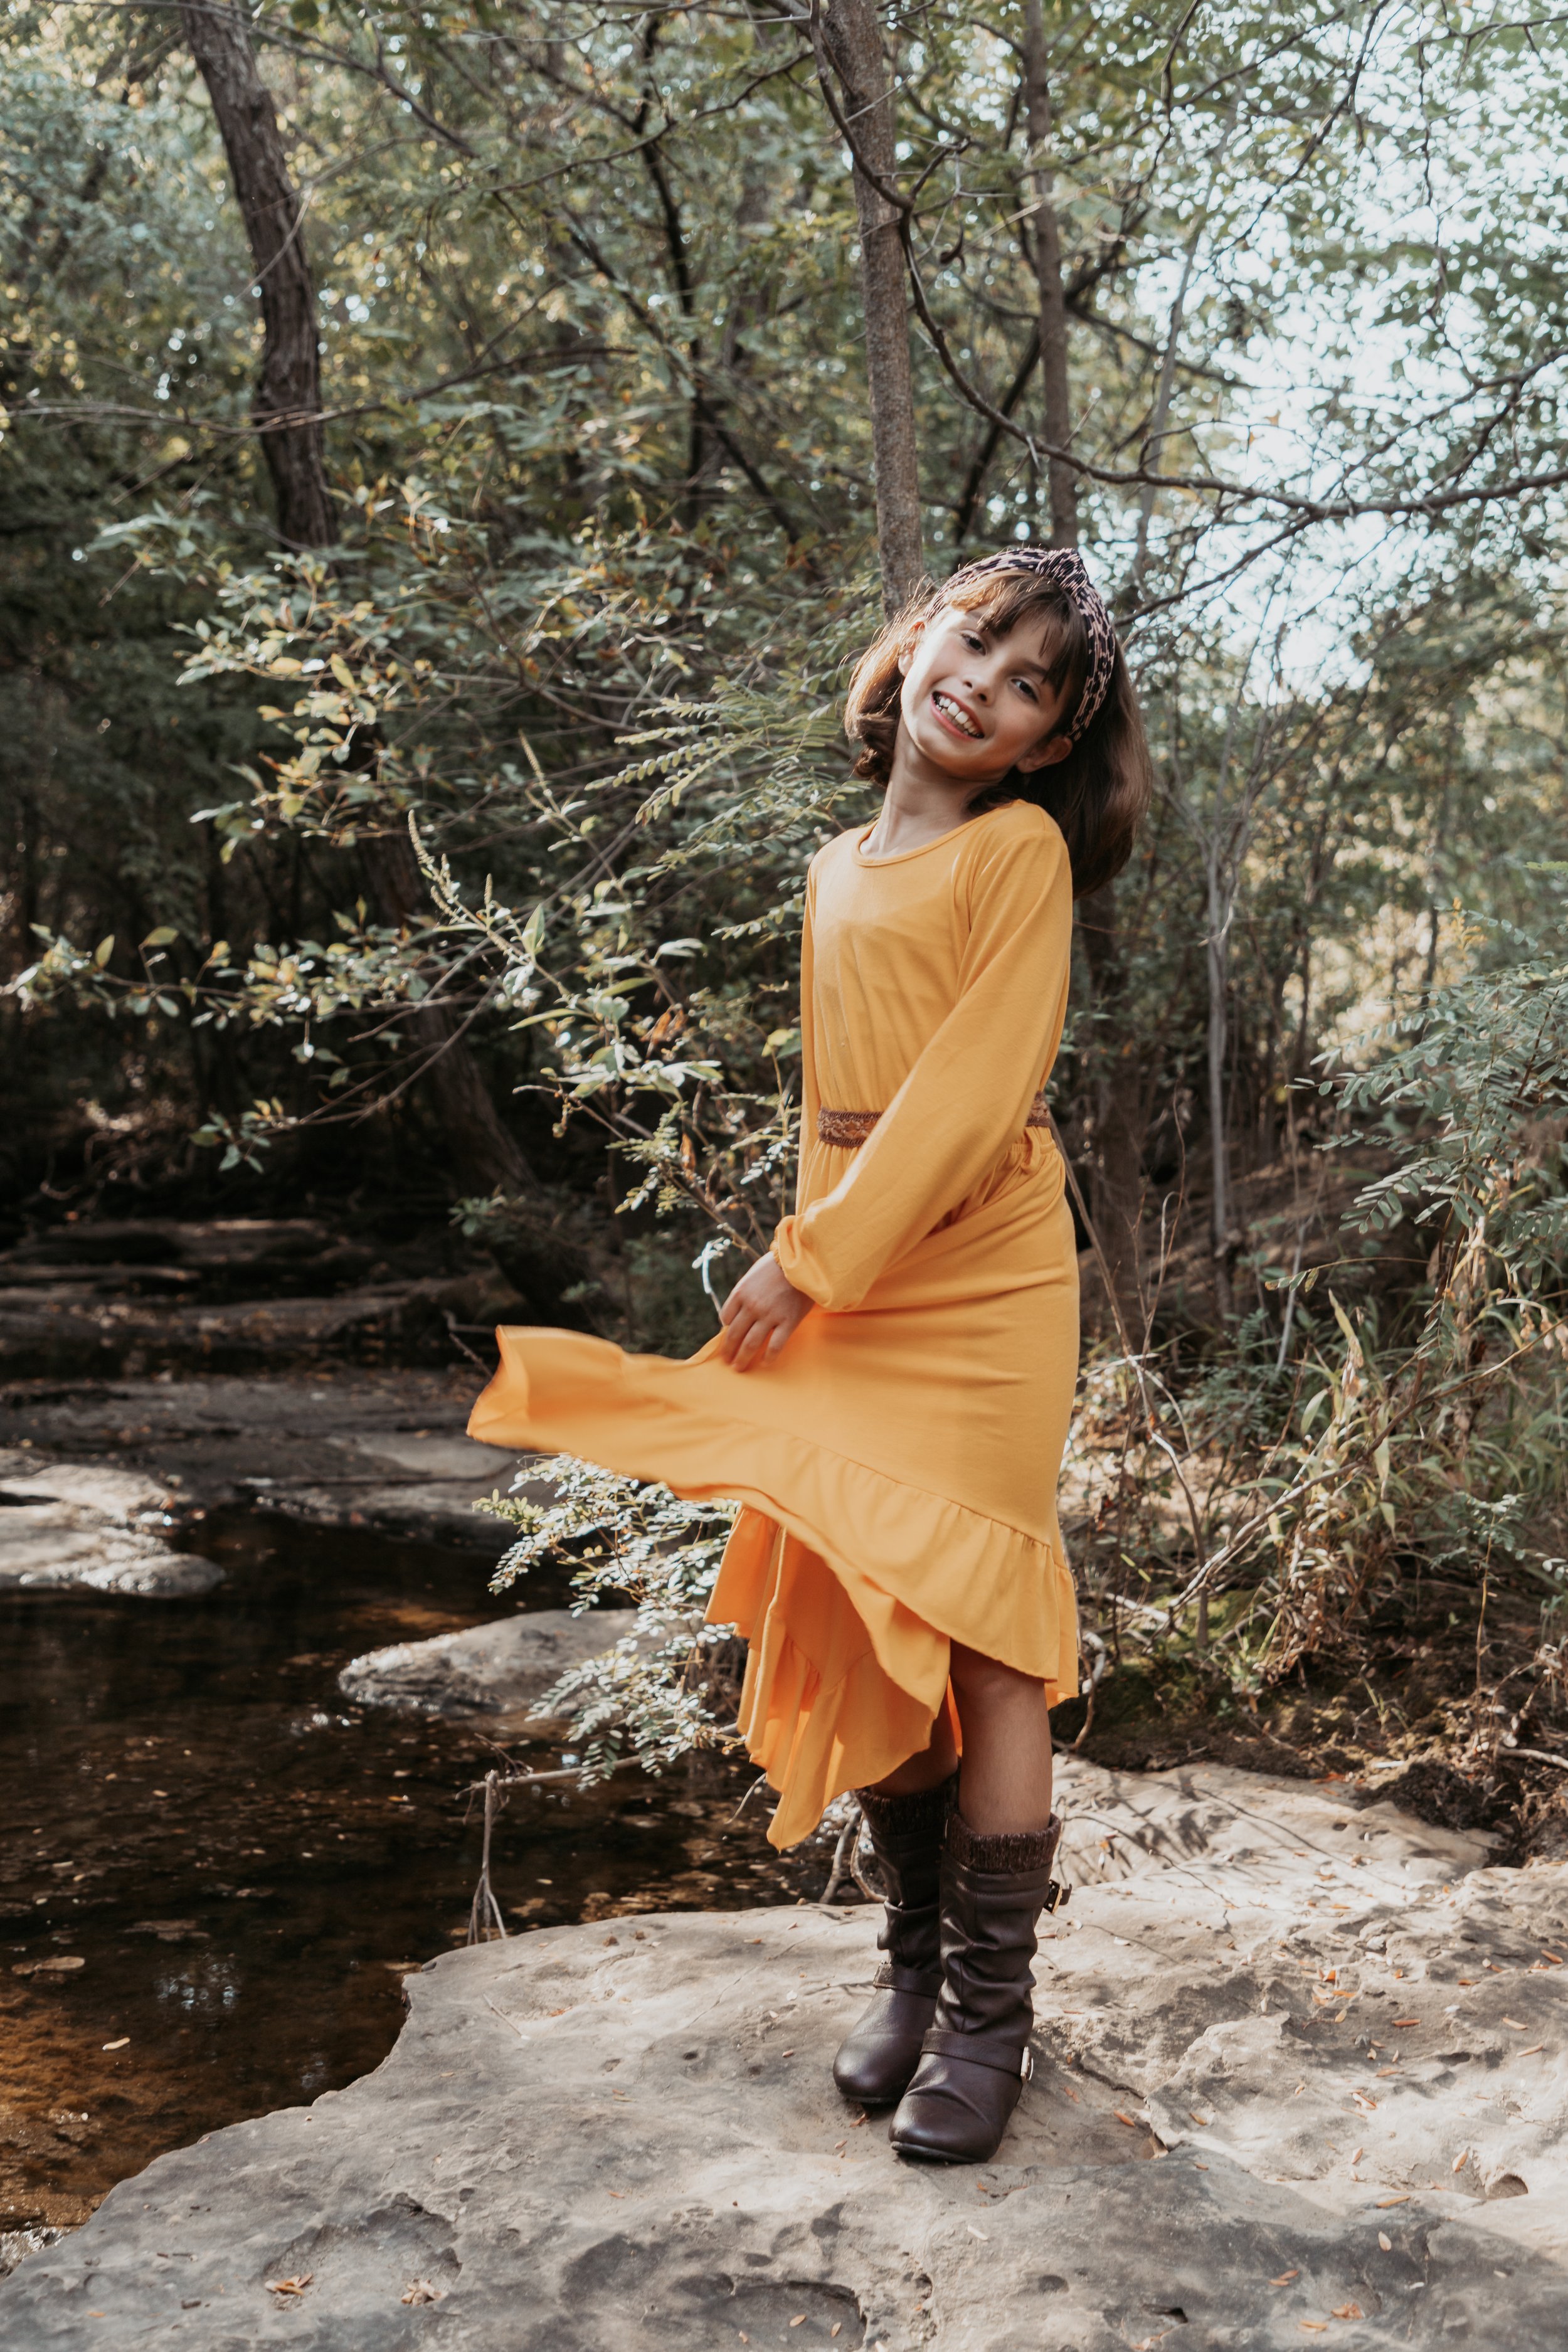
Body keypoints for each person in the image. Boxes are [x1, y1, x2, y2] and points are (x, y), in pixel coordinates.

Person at [469, 544, 1152, 2163]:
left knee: (982, 1630)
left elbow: (971, 1092)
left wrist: (814, 1258)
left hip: (977, 1268)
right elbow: (835, 1104)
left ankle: (988, 2018)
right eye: (972, 641)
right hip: (852, 1260)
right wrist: (812, 1267)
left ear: (1046, 741)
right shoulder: (838, 862)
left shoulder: (1012, 855)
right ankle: (912, 1969)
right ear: (919, 643)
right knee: (858, 1592)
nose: (981, 683)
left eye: (1028, 683)